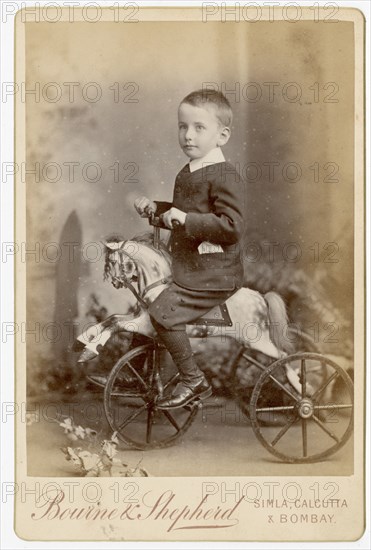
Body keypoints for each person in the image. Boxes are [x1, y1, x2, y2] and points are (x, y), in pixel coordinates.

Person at [134, 89, 245, 409]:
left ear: (222, 136)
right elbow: (182, 214)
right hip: (189, 265)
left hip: (216, 271)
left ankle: (193, 379)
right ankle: (134, 372)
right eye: (182, 127)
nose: (187, 135)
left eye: (199, 128)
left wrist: (185, 218)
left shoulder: (225, 175)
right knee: (146, 300)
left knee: (163, 312)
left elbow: (232, 226)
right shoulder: (189, 170)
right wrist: (155, 209)